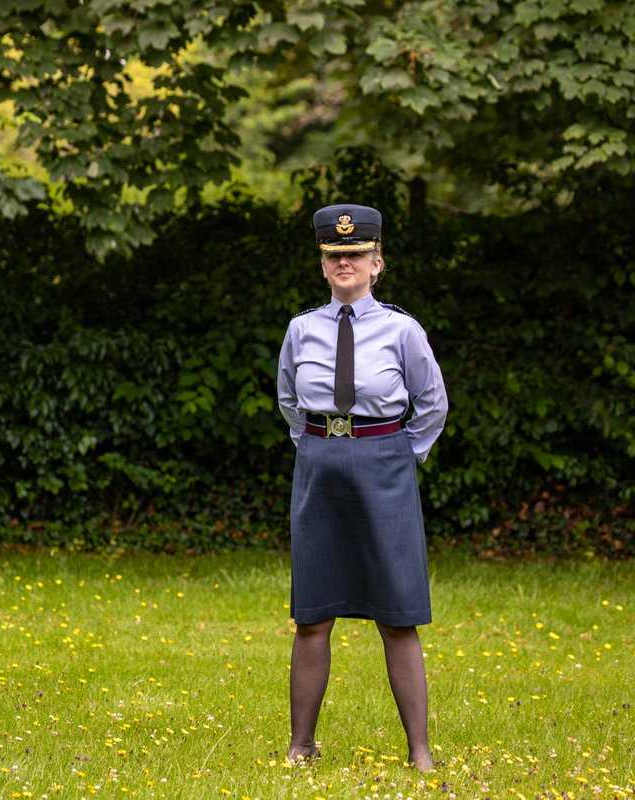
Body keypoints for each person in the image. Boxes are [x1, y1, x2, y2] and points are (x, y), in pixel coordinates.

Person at [276, 203, 448, 772]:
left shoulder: (403, 329)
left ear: (377, 263)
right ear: (323, 266)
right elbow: (288, 402)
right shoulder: (301, 329)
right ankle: (301, 745)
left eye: (355, 255)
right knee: (312, 616)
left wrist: (399, 454)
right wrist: (321, 448)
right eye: (334, 256)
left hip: (385, 465)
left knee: (398, 613)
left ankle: (420, 752)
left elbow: (431, 405)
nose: (344, 263)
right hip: (321, 466)